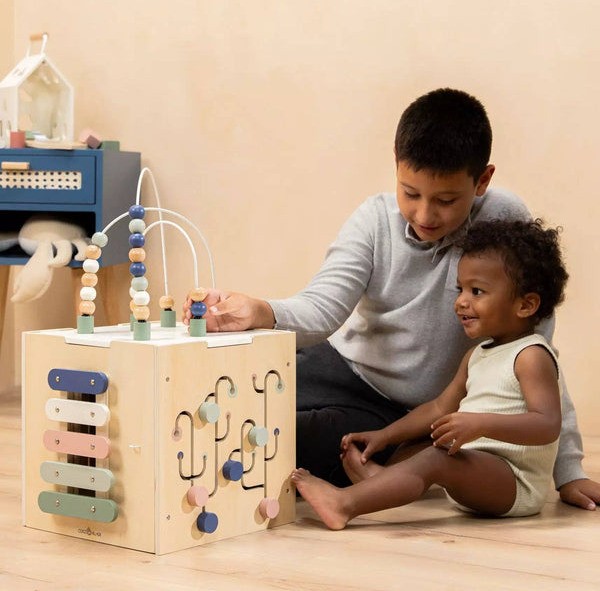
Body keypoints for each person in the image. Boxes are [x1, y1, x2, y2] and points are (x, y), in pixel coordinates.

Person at [183, 88, 600, 510]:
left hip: (406, 413)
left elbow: (539, 347)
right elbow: (322, 308)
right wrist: (261, 310)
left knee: (280, 435)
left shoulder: (504, 217)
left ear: (483, 181)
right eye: (410, 192)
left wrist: (570, 471)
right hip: (339, 367)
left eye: (446, 200)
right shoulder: (373, 219)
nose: (424, 215)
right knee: (231, 404)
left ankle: (392, 466)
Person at [291, 219, 568, 528]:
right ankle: (381, 481)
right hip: (479, 466)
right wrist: (384, 437)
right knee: (431, 443)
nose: (461, 301)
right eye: (460, 289)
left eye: (477, 291)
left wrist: (481, 423)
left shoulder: (531, 355)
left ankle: (345, 504)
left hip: (515, 482)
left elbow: (547, 424)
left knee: (437, 457)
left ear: (526, 305)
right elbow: (438, 408)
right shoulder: (476, 355)